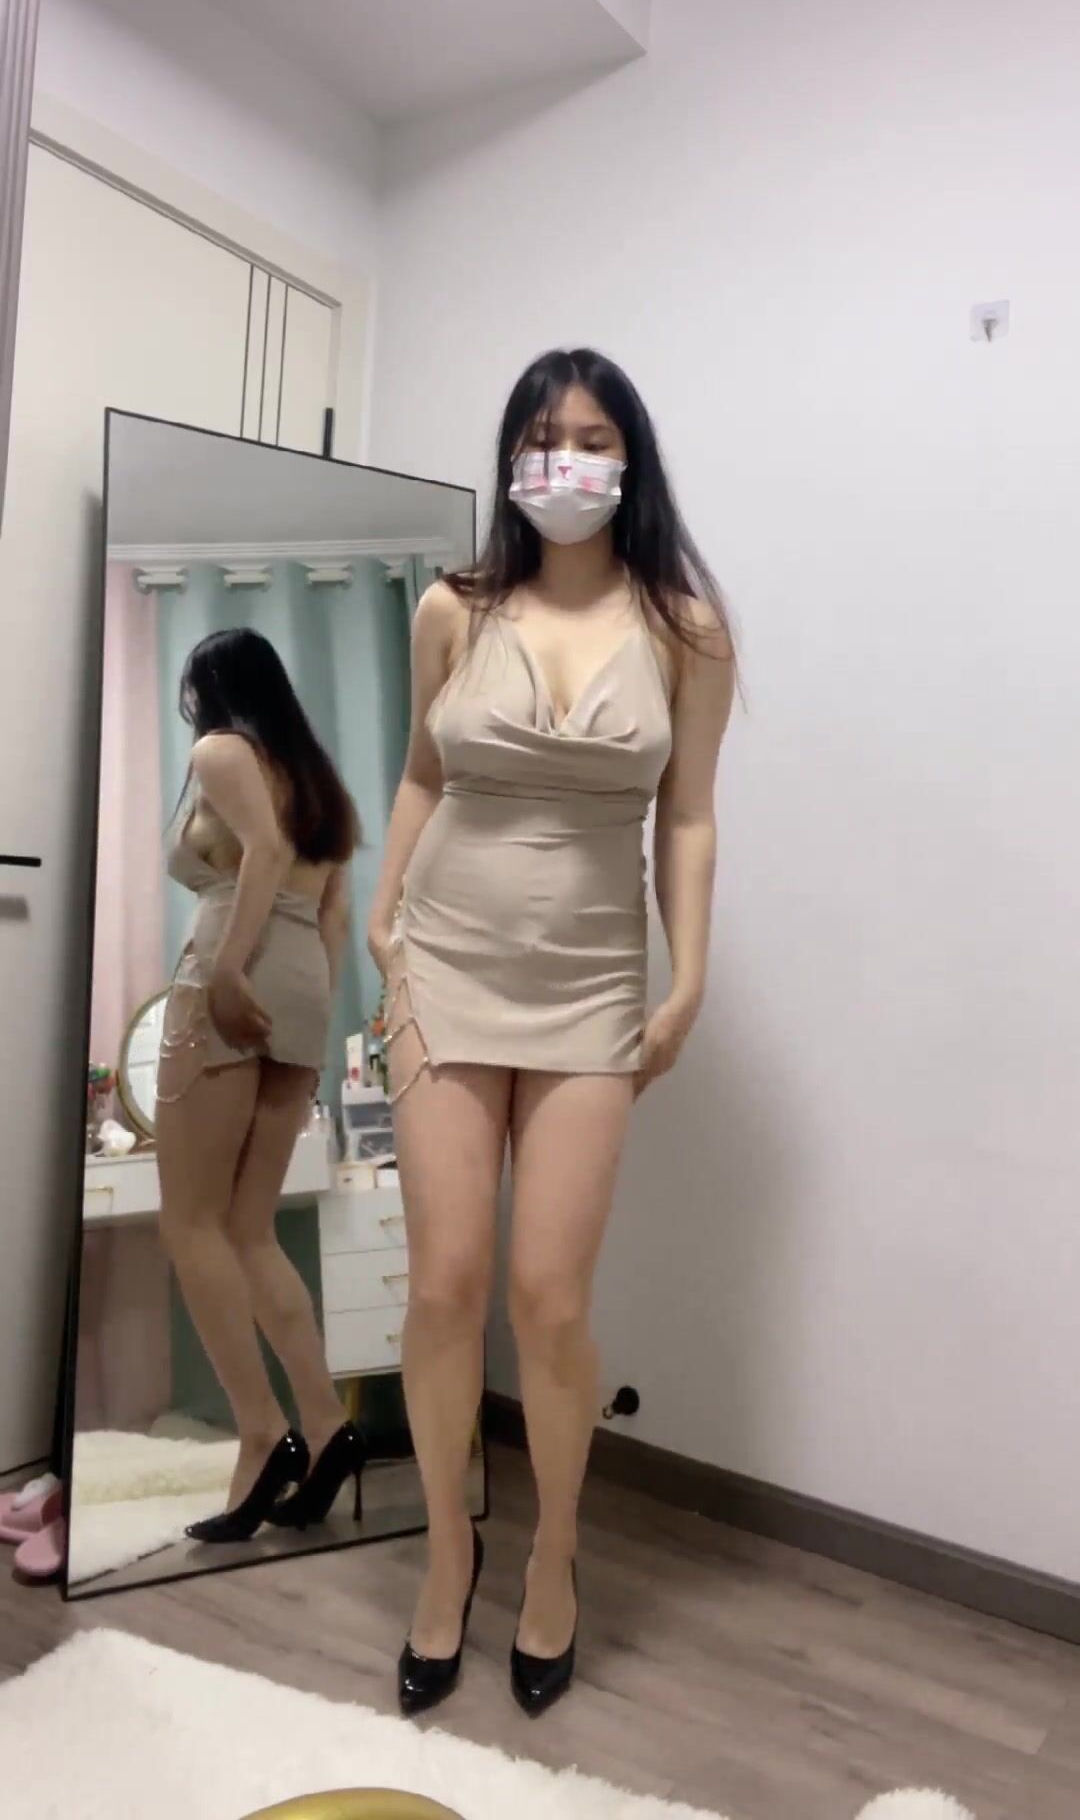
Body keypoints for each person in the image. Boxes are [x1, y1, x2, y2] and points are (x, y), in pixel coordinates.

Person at [367, 348, 736, 1717]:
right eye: (540, 435)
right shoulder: (452, 609)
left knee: (550, 1301)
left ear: (629, 460)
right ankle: (448, 1556)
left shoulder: (684, 627)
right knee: (443, 1289)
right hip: (444, 970)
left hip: (590, 987)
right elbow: (422, 774)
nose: (562, 459)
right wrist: (382, 921)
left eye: (589, 437)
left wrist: (687, 980)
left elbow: (687, 815)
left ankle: (557, 1553)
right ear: (511, 457)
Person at [156, 627, 366, 1542]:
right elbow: (335, 914)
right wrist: (308, 1022)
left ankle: (260, 1432)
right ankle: (324, 1427)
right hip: (306, 983)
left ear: (209, 690)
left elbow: (265, 854)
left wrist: (229, 970)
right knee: (248, 1228)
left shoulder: (221, 751)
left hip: (234, 972)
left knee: (189, 1221)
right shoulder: (319, 781)